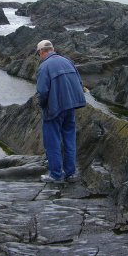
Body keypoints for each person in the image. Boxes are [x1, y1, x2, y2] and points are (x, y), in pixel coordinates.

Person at [35, 40, 86, 183]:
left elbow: (42, 92)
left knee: (52, 141)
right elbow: (80, 83)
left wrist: (42, 106)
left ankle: (56, 175)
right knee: (69, 139)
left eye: (38, 53)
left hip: (55, 109)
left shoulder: (44, 66)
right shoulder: (68, 61)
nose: (39, 56)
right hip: (71, 107)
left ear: (42, 52)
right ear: (52, 49)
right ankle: (70, 173)